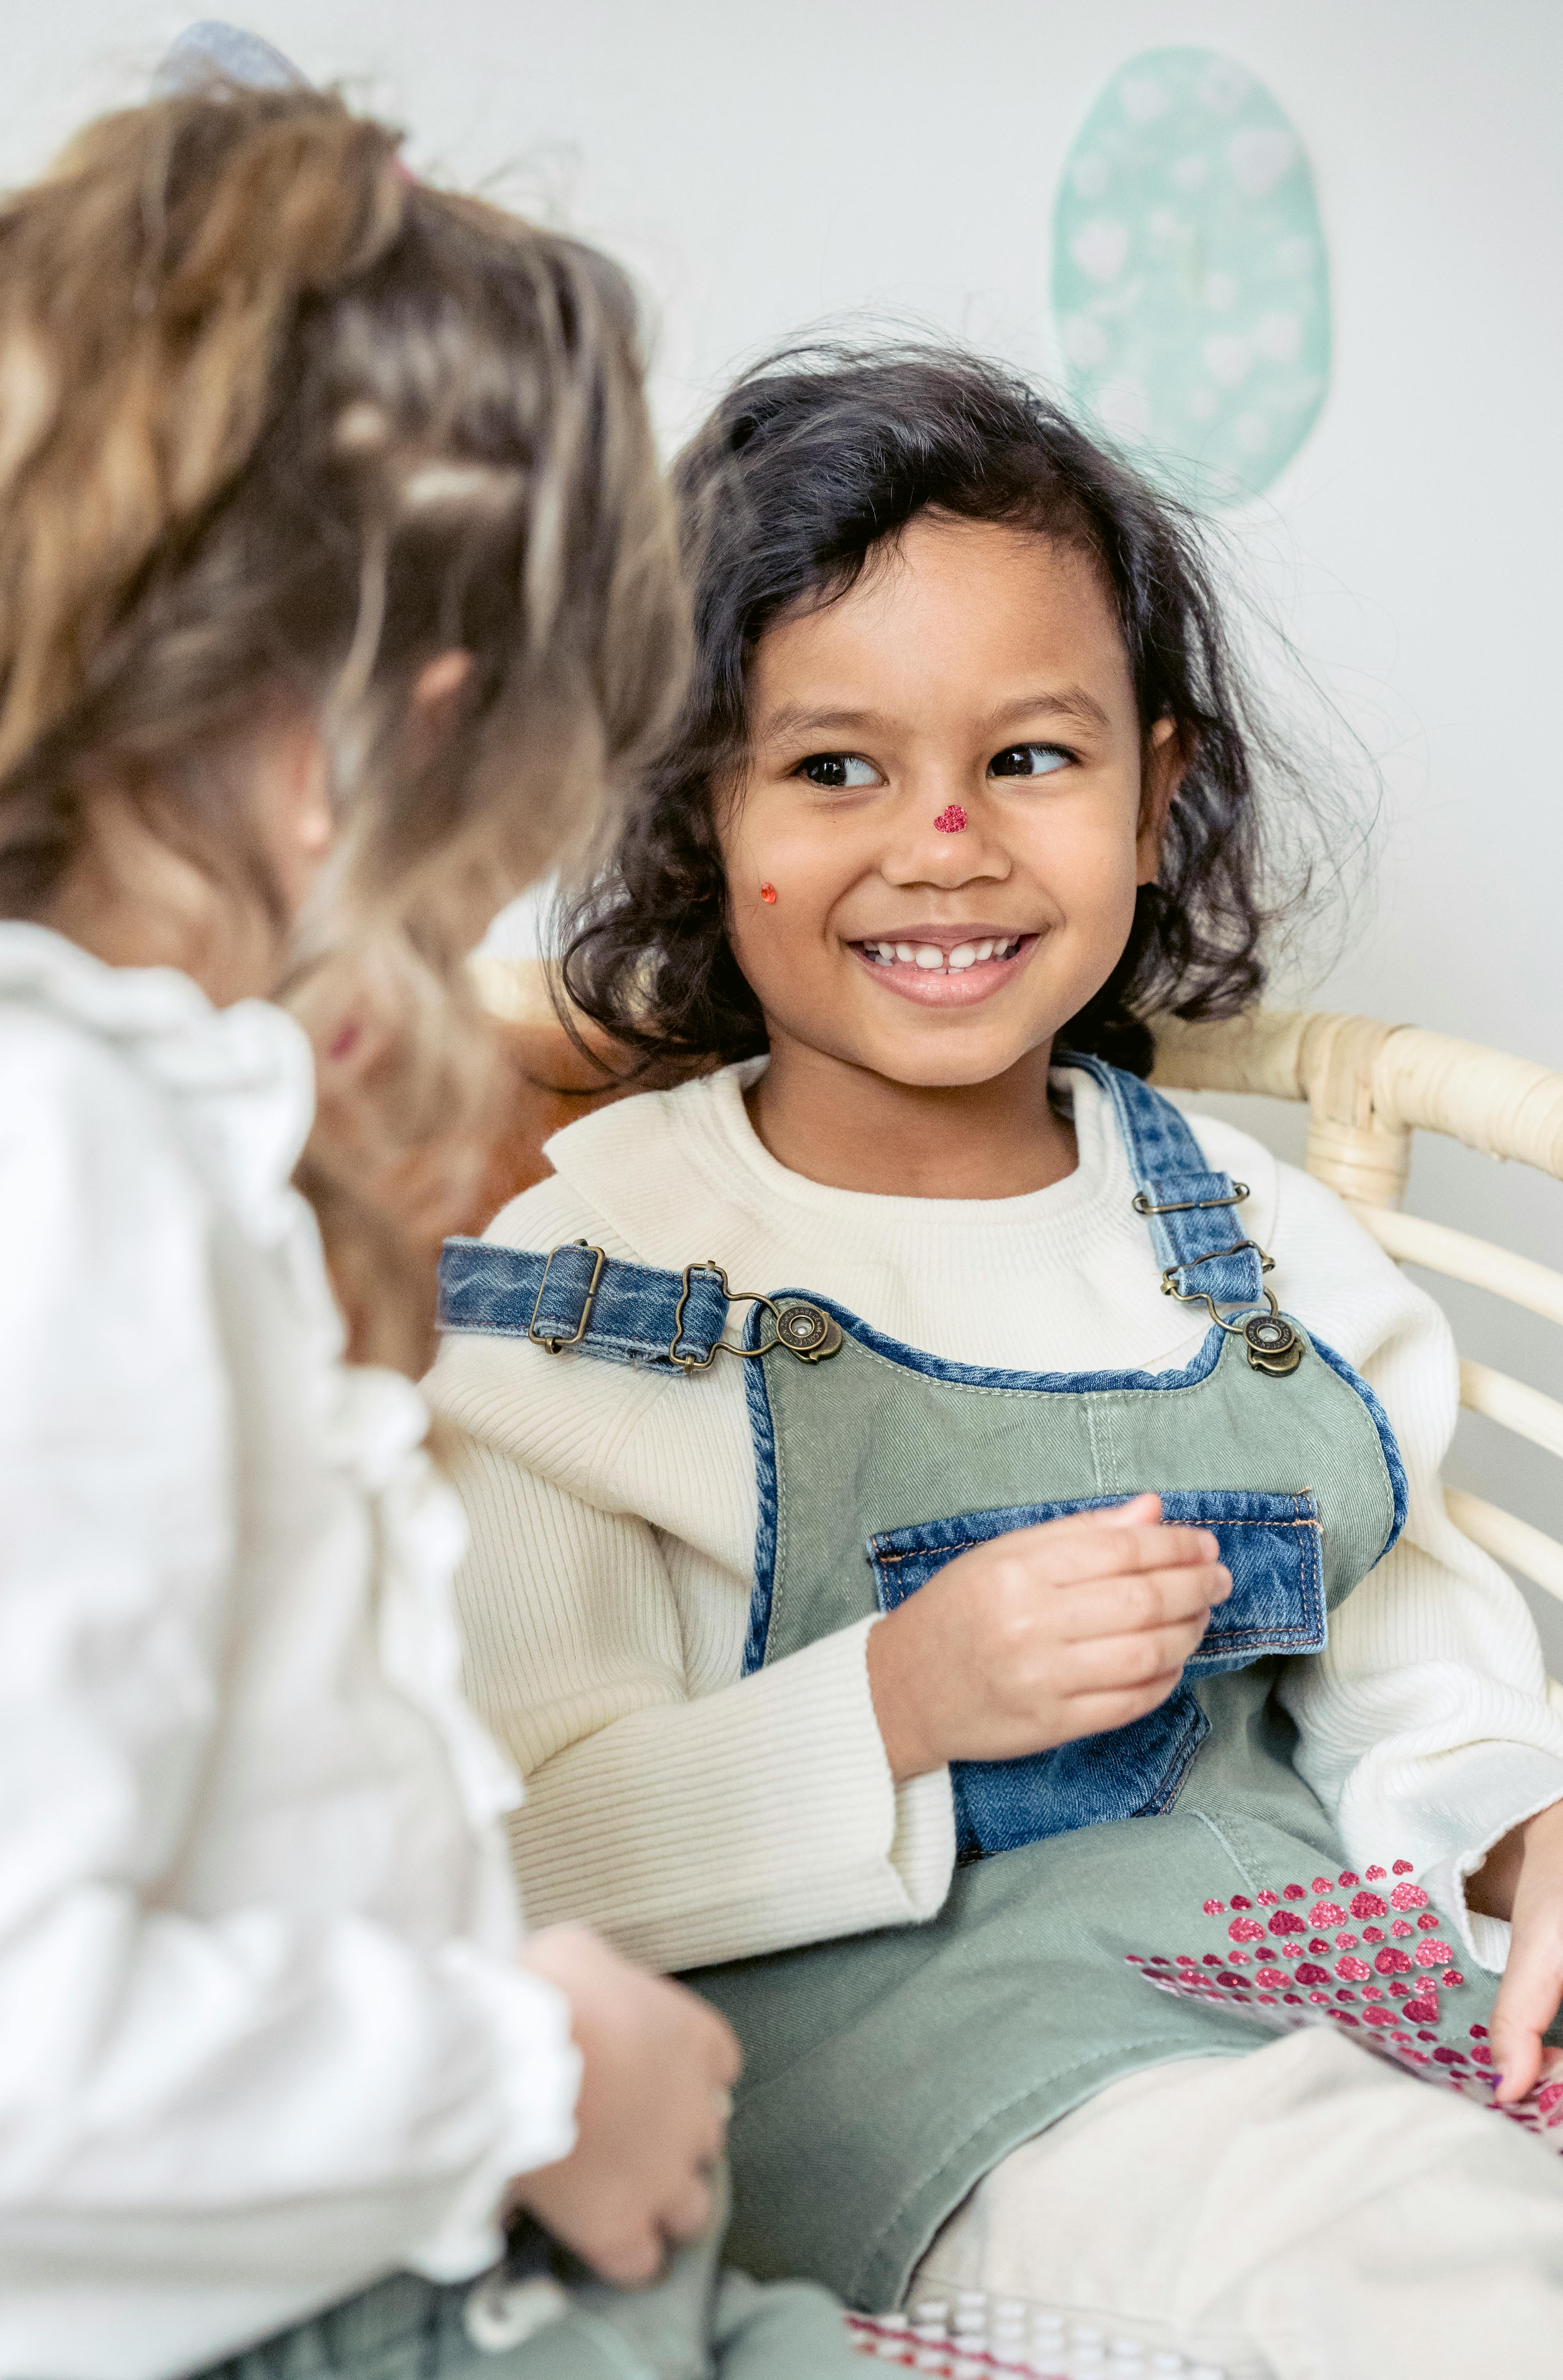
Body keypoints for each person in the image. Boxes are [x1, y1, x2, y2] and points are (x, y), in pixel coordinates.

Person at [428, 347, 1563, 2378]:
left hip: (1335, 2026)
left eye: (1030, 760)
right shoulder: (591, 1280)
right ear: (701, 813)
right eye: (835, 768)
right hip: (943, 2117)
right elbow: (514, 1858)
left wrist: (1515, 1831)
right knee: (1428, 2278)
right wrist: (898, 1698)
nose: (942, 843)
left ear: (1159, 794)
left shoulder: (1251, 1243)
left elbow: (1412, 1667)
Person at [0, 80, 860, 2380]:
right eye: (487, 835)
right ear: (359, 756)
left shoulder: (112, 1128)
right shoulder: (60, 1166)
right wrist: (527, 2068)